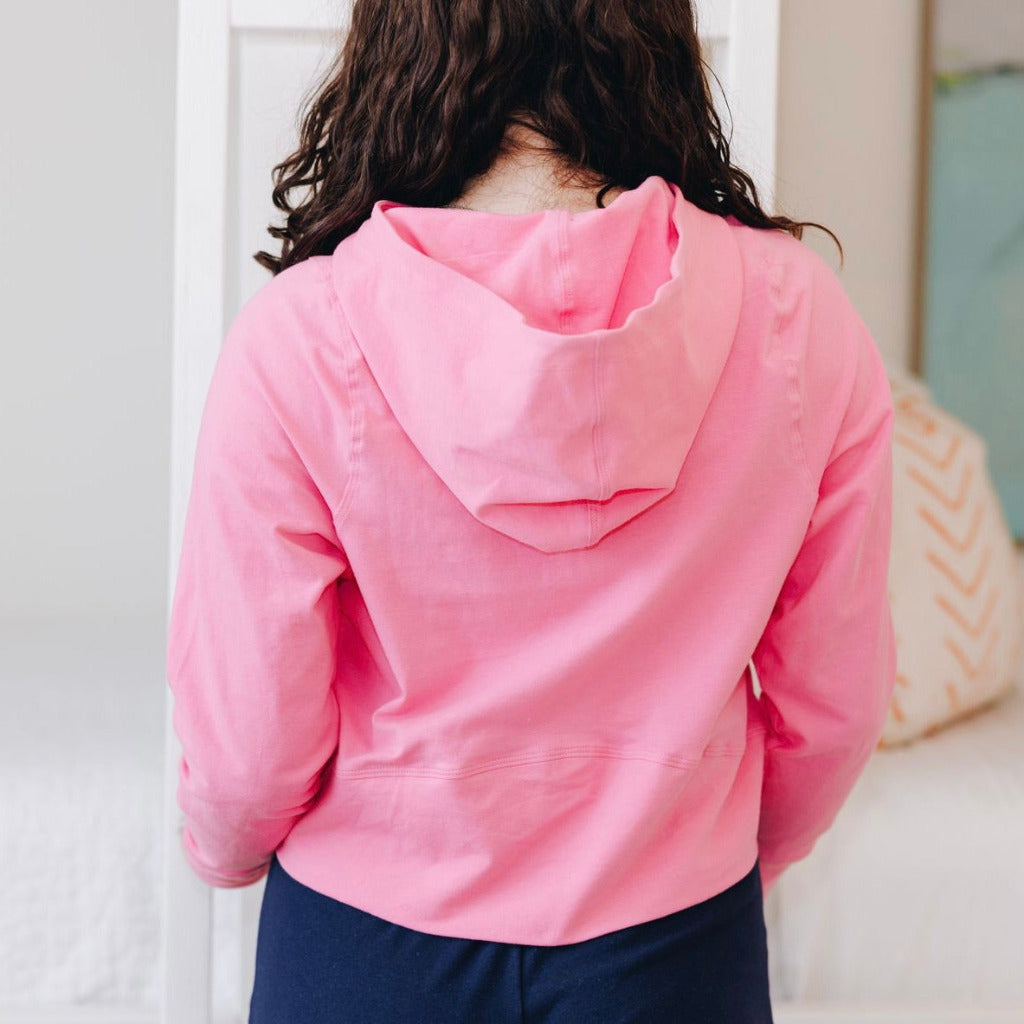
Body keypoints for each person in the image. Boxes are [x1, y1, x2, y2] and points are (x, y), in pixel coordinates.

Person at [164, 1, 897, 1021]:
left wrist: (223, 851)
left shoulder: (299, 338)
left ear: (402, 41)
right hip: (674, 940)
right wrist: (719, 847)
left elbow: (246, 750)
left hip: (364, 945)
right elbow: (836, 701)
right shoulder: (801, 318)